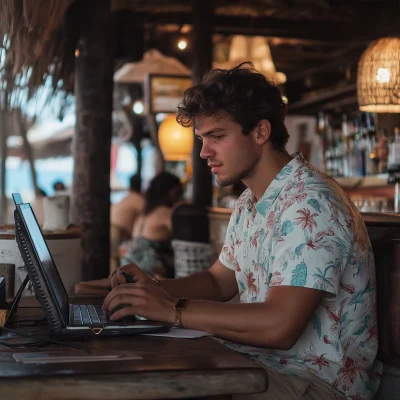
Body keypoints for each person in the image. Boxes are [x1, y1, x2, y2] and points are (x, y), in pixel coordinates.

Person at [103, 63, 381, 400]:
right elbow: (220, 281)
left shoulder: (311, 203)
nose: (204, 152)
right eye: (203, 139)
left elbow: (279, 326)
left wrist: (171, 309)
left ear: (261, 133)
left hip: (314, 384)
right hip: (260, 365)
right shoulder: (251, 201)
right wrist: (153, 289)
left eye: (217, 136)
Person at [119, 172, 183, 278]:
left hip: (129, 264)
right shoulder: (167, 212)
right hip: (149, 270)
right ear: (172, 191)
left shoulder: (145, 212)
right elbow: (185, 238)